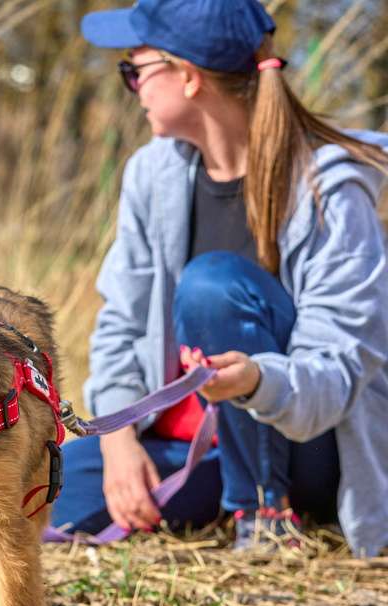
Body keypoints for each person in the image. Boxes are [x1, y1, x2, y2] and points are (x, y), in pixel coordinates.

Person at [51, 0, 388, 556]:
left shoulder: (331, 190)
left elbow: (339, 373)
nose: (131, 87)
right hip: (198, 442)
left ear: (187, 77)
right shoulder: (152, 173)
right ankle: (220, 500)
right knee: (45, 490)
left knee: (212, 285)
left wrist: (257, 380)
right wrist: (117, 441)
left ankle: (264, 512)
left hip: (312, 448)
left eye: (134, 71)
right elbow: (122, 322)